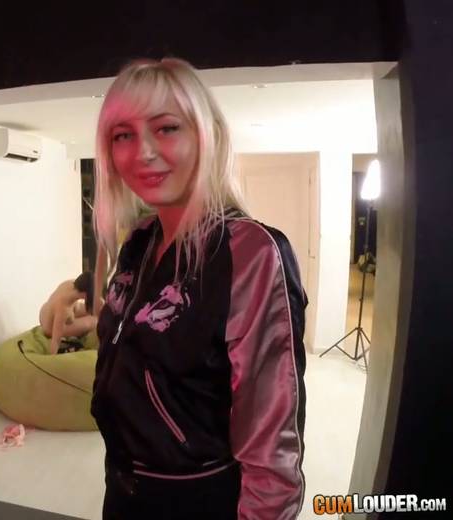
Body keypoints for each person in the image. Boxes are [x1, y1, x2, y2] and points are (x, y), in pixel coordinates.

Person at [89, 58, 307, 519]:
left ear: (208, 136)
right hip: (122, 488)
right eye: (123, 135)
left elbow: (272, 447)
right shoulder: (139, 240)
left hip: (197, 501)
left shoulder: (250, 252)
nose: (142, 152)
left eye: (166, 128)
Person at [39, 272, 101, 354]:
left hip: (45, 312)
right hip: (50, 327)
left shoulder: (71, 283)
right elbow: (56, 340)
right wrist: (52, 358)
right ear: (85, 295)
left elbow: (97, 302)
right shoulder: (64, 308)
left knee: (89, 309)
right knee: (94, 321)